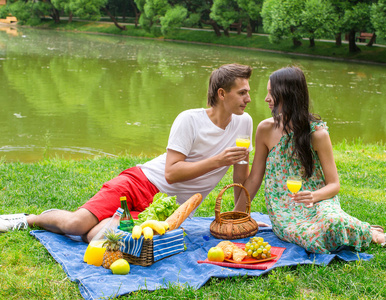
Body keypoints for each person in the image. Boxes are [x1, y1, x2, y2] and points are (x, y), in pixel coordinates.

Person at [0, 63, 254, 242]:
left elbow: (239, 180)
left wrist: (241, 218)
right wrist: (218, 161)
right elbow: (172, 173)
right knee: (76, 225)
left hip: (166, 209)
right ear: (222, 94)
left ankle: (95, 224)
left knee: (97, 237)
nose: (249, 98)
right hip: (141, 182)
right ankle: (31, 219)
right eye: (242, 92)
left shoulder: (244, 123)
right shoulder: (189, 119)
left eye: (249, 92)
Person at [235, 66, 386, 254]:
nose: (266, 98)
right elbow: (254, 178)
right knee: (312, 237)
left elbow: (334, 185)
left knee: (334, 222)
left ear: (289, 94)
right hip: (284, 210)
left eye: (272, 93)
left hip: (318, 201)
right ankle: (357, 228)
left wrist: (313, 196)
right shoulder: (265, 129)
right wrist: (236, 215)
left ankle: (374, 235)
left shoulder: (318, 134)